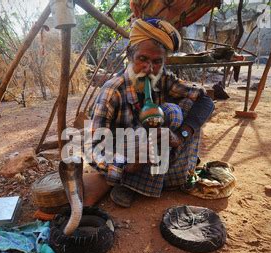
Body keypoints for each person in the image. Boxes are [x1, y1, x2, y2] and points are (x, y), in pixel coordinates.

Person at [90, 18, 214, 208]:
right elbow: (93, 149)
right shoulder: (112, 91)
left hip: (156, 152)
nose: (149, 69)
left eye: (157, 62)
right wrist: (125, 164)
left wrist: (181, 136)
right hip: (127, 155)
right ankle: (130, 185)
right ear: (130, 55)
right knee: (164, 118)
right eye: (143, 59)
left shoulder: (162, 77)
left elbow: (205, 101)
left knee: (177, 111)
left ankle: (167, 178)